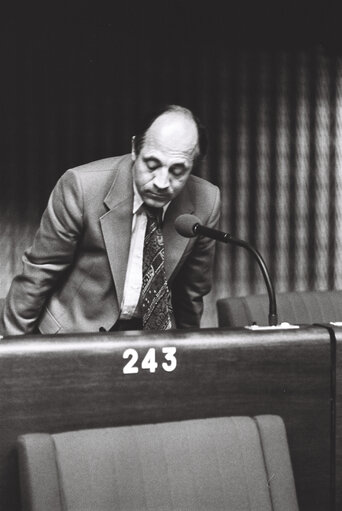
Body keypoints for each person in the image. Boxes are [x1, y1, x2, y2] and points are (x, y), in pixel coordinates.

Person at [1, 105, 220, 335]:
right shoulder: (82, 187)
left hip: (148, 339)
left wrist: (190, 356)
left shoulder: (207, 201)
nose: (162, 182)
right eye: (152, 165)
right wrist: (11, 352)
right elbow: (39, 274)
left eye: (177, 171)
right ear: (135, 149)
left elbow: (191, 294)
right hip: (74, 334)